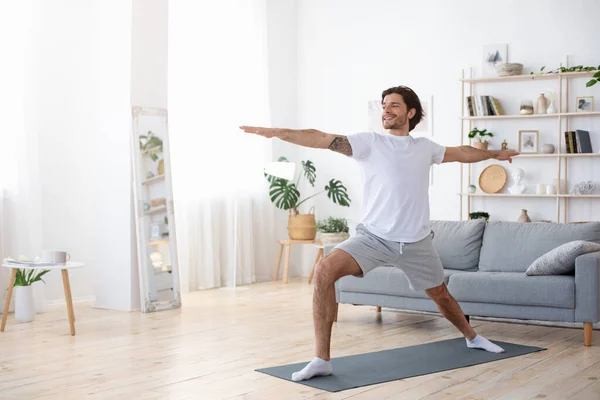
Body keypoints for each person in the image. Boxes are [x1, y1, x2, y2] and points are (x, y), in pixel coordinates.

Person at [240, 85, 519, 382]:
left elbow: (461, 152)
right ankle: (322, 359)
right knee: (324, 271)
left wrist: (494, 154)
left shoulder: (425, 147)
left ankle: (472, 337)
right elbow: (320, 137)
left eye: (394, 105)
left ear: (411, 113)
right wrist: (279, 132)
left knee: (441, 295)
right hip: (373, 238)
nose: (386, 109)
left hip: (417, 241)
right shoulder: (369, 143)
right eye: (384, 105)